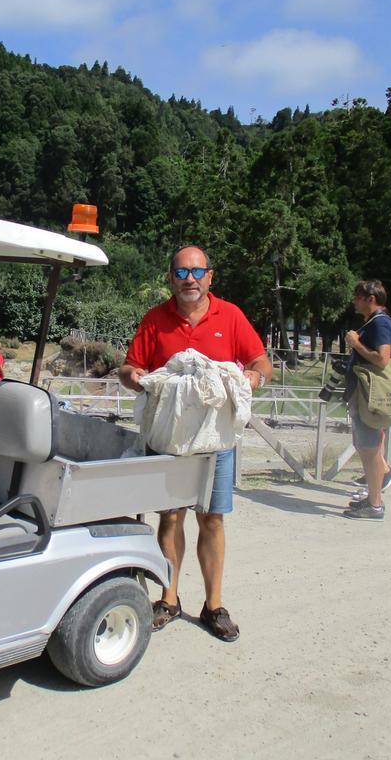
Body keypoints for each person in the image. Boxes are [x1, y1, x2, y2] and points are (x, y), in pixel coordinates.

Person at [119, 245, 272, 642]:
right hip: (169, 439)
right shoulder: (155, 319)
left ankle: (214, 605)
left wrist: (251, 380)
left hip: (216, 442)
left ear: (210, 277)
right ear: (171, 277)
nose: (190, 279)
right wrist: (136, 378)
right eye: (182, 272)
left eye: (197, 271)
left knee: (212, 519)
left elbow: (261, 363)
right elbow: (129, 366)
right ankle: (169, 598)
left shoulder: (232, 316)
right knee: (170, 517)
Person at [343, 280, 391, 521]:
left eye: (358, 296)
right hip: (366, 393)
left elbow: (383, 359)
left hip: (370, 395)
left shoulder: (380, 323)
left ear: (370, 298)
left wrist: (356, 344)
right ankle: (372, 500)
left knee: (369, 448)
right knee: (367, 447)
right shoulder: (377, 322)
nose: (354, 300)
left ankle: (375, 504)